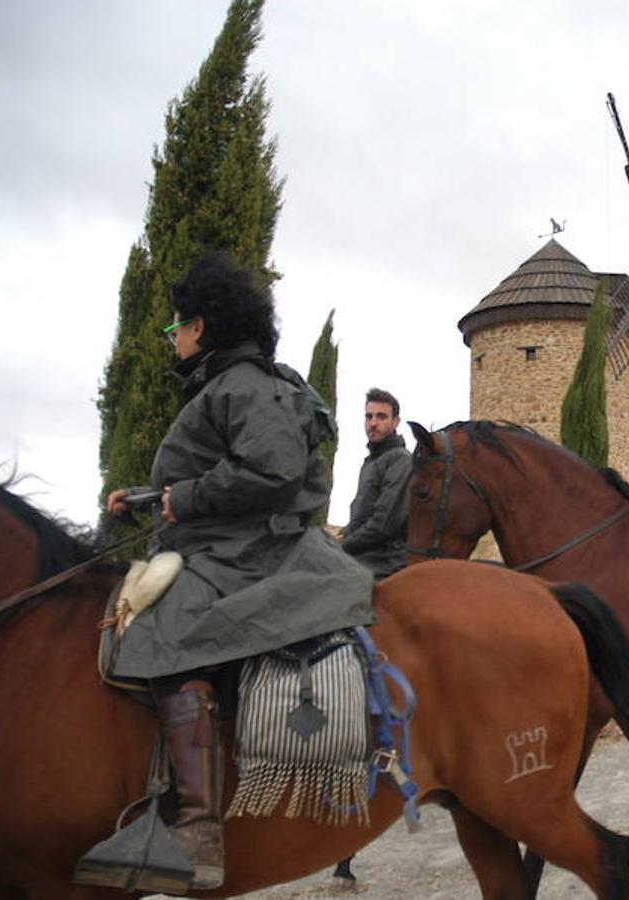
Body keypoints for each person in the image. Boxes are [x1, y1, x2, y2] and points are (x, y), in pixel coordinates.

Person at [101, 252, 375, 890]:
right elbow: (213, 473)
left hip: (247, 552)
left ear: (201, 325)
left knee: (167, 631)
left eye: (175, 326)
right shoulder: (221, 384)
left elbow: (272, 472)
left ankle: (198, 826)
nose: (171, 337)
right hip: (218, 541)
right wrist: (145, 497)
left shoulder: (246, 383)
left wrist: (185, 499)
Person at [342, 388, 412, 577]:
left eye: (381, 417)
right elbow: (362, 516)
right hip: (362, 554)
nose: (373, 423)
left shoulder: (401, 460)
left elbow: (385, 523)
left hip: (384, 561)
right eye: (369, 416)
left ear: (395, 422)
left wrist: (343, 546)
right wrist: (342, 534)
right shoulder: (371, 461)